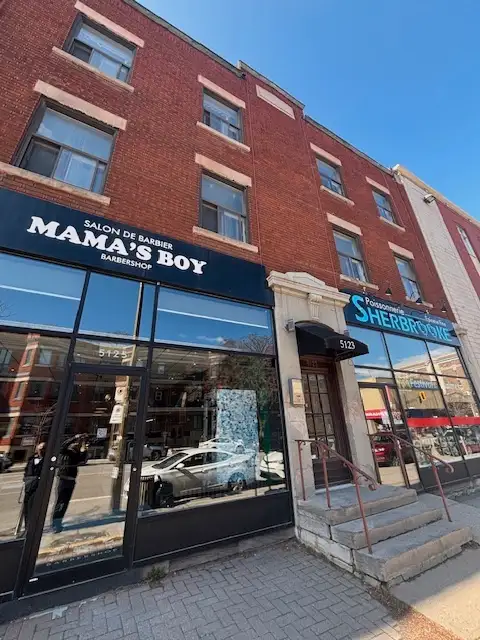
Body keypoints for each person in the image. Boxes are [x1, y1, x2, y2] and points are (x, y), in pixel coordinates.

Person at [52, 434, 85, 533]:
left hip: (71, 480)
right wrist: (75, 437)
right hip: (63, 479)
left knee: (65, 503)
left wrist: (84, 447)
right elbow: (63, 445)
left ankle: (58, 522)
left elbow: (82, 460)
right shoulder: (65, 452)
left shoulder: (76, 454)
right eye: (75, 443)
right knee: (60, 503)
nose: (77, 444)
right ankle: (56, 524)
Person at [23, 442, 46, 529]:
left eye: (42, 448)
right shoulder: (31, 459)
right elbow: (27, 470)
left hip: (38, 486)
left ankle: (32, 526)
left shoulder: (46, 460)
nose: (40, 450)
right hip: (29, 485)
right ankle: (27, 526)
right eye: (39, 448)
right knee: (26, 507)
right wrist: (26, 478)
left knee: (33, 506)